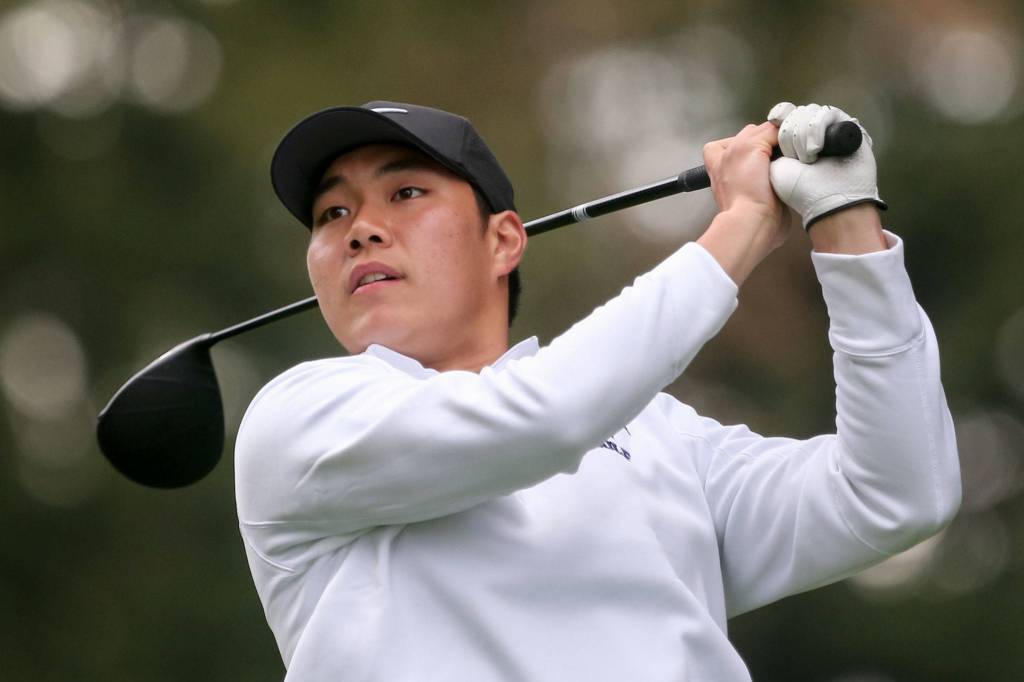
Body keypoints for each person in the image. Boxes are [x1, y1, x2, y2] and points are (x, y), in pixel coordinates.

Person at [234, 100, 961, 681]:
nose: (361, 229)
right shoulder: (301, 418)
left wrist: (848, 226)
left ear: (504, 241)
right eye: (333, 214)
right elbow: (544, 418)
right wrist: (740, 226)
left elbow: (895, 494)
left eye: (406, 192)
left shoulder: (664, 435)